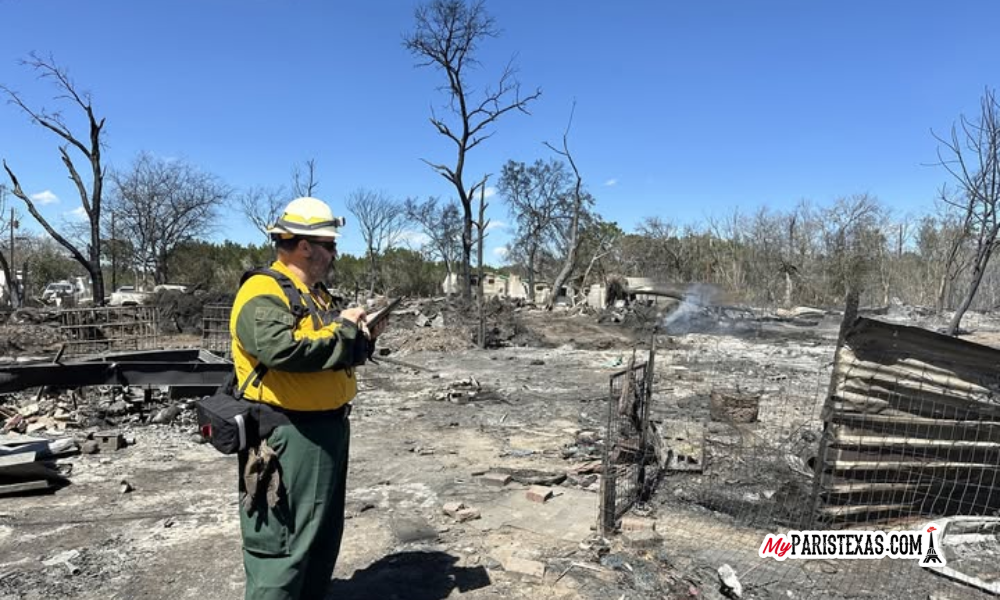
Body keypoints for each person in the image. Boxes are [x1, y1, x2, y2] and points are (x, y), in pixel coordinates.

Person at [229, 196, 385, 600]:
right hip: (290, 436)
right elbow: (281, 351)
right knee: (281, 547)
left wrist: (361, 338)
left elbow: (327, 350)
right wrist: (344, 332)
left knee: (319, 541)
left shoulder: (314, 294)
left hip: (327, 430)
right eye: (329, 245)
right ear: (304, 246)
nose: (334, 254)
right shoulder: (263, 291)